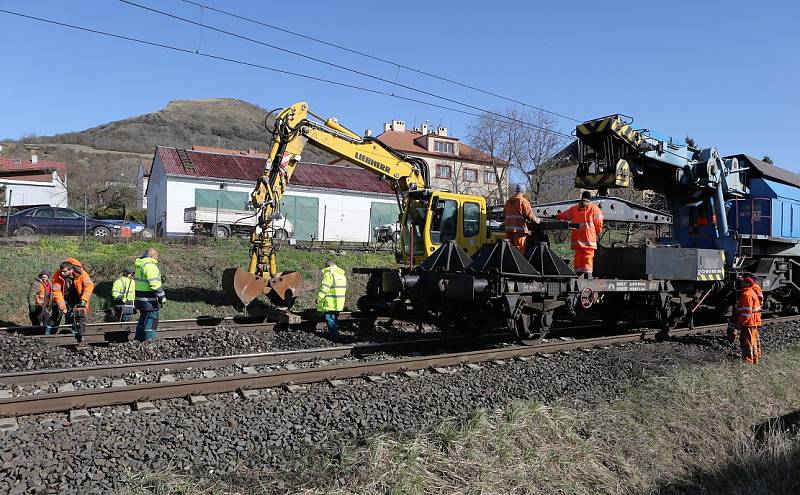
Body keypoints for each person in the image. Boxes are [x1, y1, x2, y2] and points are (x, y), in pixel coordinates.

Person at [556, 191, 604, 278]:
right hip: (588, 238)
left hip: (577, 238)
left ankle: (578, 274)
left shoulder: (575, 208)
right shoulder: (594, 209)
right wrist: (597, 231)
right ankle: (587, 274)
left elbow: (565, 215)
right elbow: (599, 223)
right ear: (590, 199)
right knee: (588, 255)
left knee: (578, 256)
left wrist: (557, 216)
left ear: (582, 198)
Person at [48, 258, 94, 340]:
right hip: (62, 298)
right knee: (56, 315)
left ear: (71, 270)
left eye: (64, 271)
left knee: (77, 316)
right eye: (61, 271)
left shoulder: (82, 274)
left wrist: (84, 299)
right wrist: (62, 306)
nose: (62, 273)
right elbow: (56, 290)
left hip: (78, 298)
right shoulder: (58, 275)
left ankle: (76, 335)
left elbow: (89, 286)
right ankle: (48, 335)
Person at [729, 274, 763, 364]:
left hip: (749, 322)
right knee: (753, 341)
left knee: (747, 342)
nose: (741, 283)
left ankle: (748, 361)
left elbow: (747, 312)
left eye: (743, 282)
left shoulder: (747, 295)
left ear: (748, 284)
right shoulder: (748, 292)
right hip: (752, 321)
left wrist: (740, 323)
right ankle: (754, 360)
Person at [134, 248, 165, 342]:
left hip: (140, 298)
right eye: (156, 255)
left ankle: (138, 340)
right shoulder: (150, 266)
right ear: (152, 255)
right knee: (152, 318)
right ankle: (149, 341)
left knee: (143, 318)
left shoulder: (140, 264)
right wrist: (162, 296)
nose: (157, 257)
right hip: (149, 299)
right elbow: (154, 283)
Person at [504, 184, 540, 253]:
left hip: (508, 229)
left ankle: (510, 263)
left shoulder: (508, 201)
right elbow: (530, 216)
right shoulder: (523, 201)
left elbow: (504, 214)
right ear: (523, 191)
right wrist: (538, 220)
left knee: (509, 249)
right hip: (519, 229)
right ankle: (518, 263)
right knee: (519, 249)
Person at [316, 260, 347, 340]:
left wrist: (319, 298)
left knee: (329, 319)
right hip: (339, 302)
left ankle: (334, 337)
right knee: (334, 319)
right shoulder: (341, 275)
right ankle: (336, 334)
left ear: (327, 266)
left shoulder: (329, 274)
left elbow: (325, 289)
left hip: (330, 302)